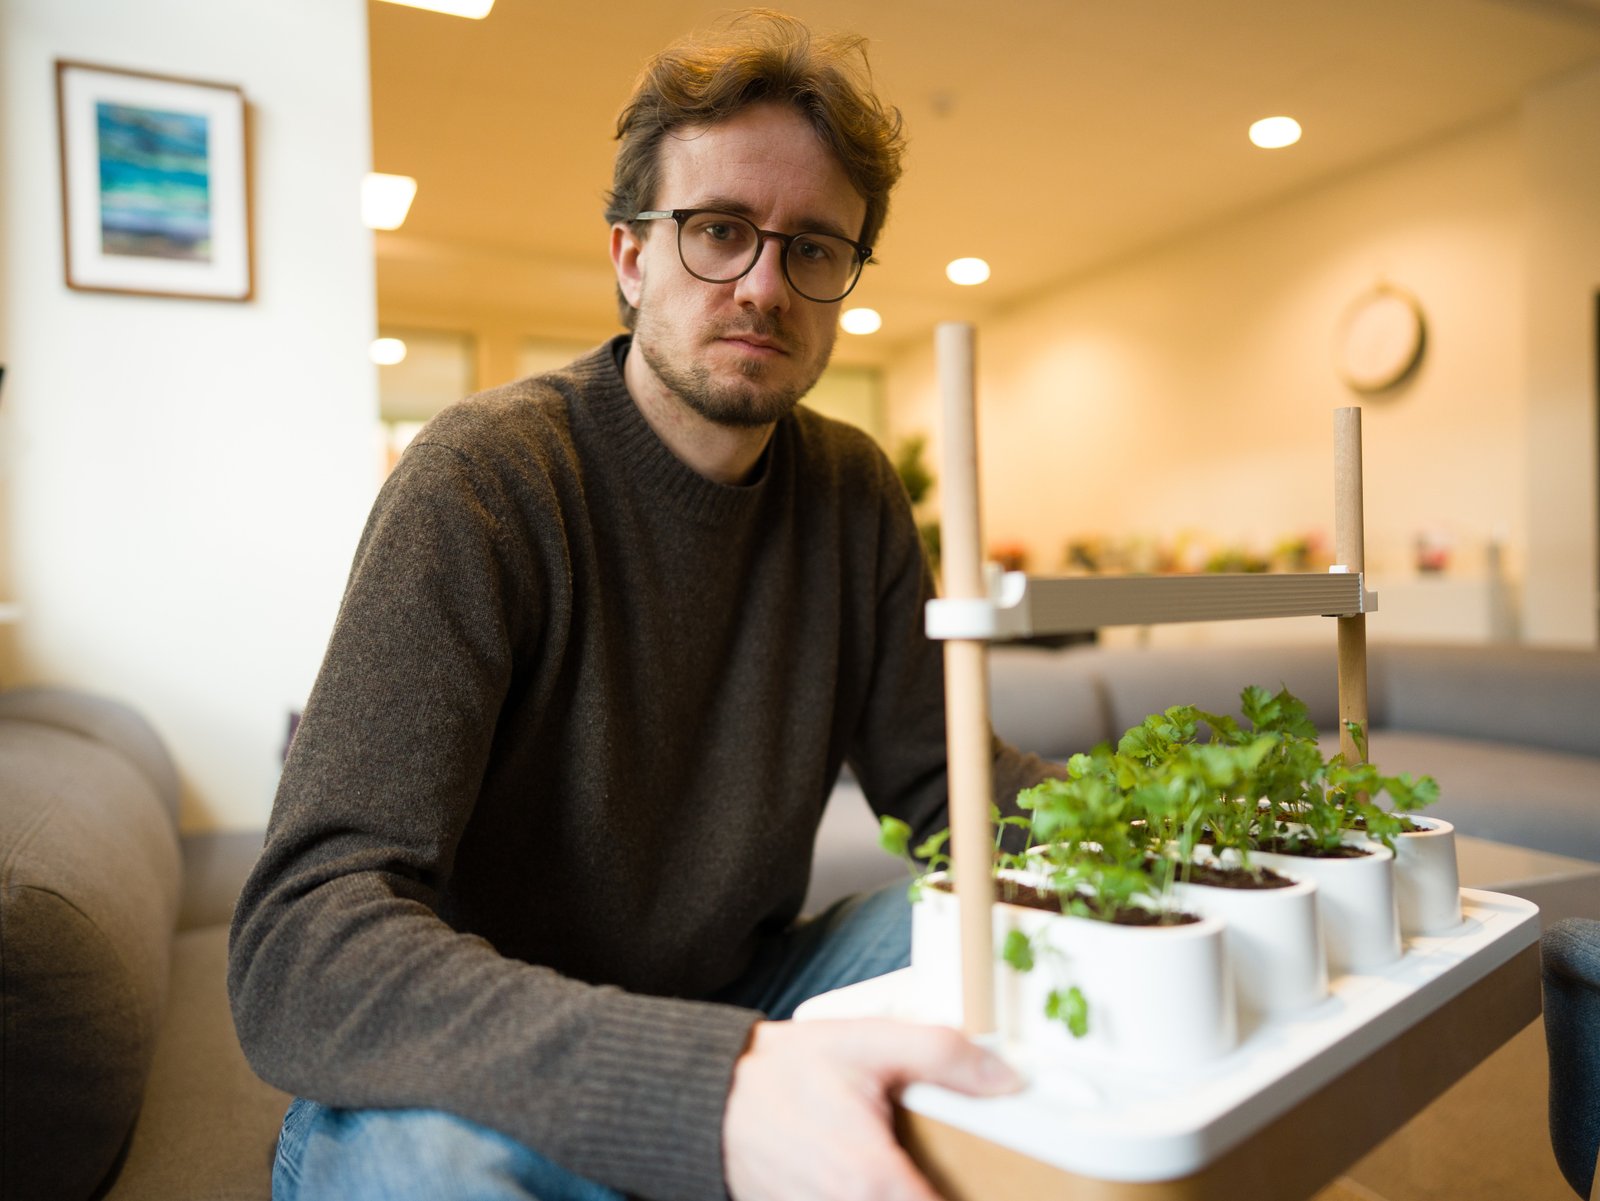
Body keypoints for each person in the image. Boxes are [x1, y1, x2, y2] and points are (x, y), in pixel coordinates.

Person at [228, 11, 1055, 1201]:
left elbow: (946, 790)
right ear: (630, 257)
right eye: (719, 230)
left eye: (814, 248)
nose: (764, 285)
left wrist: (1206, 834)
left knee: (990, 924)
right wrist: (706, 1082)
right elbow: (300, 944)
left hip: (740, 993)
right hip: (476, 1060)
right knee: (434, 1169)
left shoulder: (853, 490)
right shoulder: (482, 478)